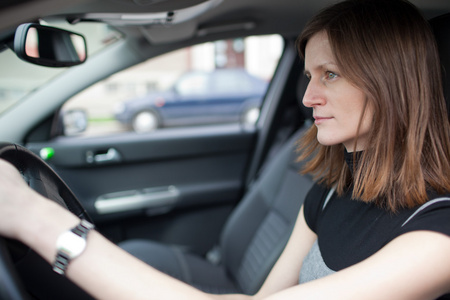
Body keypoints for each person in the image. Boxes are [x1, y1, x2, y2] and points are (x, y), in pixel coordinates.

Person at [1, 0, 450, 299]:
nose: (308, 97)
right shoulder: (328, 193)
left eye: (329, 74)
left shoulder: (437, 237)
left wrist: (33, 216)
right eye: (309, 76)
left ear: (390, 82)